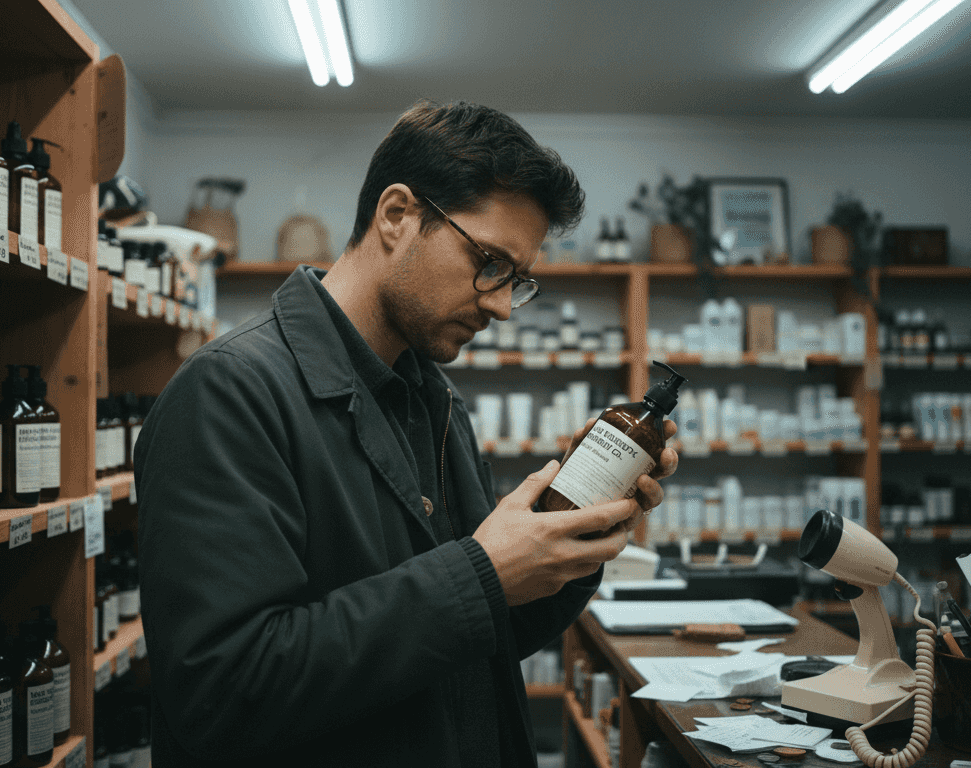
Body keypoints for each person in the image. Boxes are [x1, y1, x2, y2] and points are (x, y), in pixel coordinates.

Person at [134, 99, 678, 767]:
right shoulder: (228, 395)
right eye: (490, 262)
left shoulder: (436, 401)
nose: (503, 304)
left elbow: (481, 633)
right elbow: (225, 690)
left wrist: (571, 536)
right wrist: (481, 573)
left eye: (519, 281)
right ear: (397, 215)